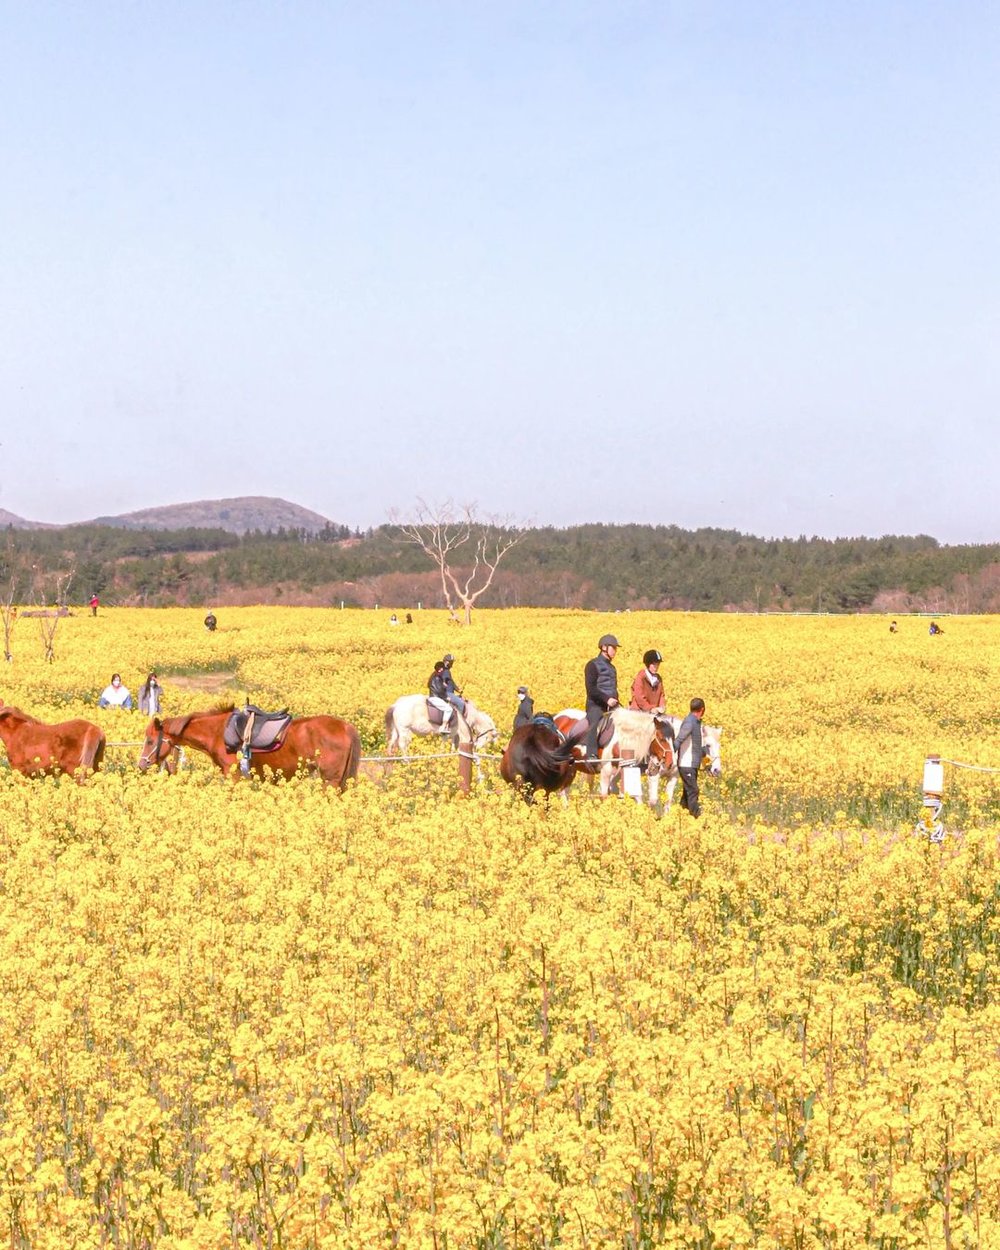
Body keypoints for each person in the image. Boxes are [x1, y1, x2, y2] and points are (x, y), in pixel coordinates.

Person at [584, 634, 620, 759]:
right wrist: (606, 699)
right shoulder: (592, 665)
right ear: (604, 647)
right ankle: (591, 754)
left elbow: (612, 688)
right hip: (596, 705)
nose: (615, 651)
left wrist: (616, 701)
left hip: (612, 706)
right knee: (595, 722)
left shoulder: (612, 668)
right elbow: (591, 689)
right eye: (613, 648)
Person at [674, 697, 707, 817]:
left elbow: (697, 745)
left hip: (691, 764)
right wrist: (669, 753)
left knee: (687, 793)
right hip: (686, 764)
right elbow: (679, 739)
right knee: (693, 791)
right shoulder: (690, 722)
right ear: (702, 710)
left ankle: (681, 816)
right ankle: (696, 817)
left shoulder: (696, 722)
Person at [427, 661, 454, 732]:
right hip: (435, 697)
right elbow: (439, 690)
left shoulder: (435, 676)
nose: (443, 670)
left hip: (434, 696)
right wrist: (446, 697)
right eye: (442, 668)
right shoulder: (437, 678)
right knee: (449, 709)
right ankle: (443, 727)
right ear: (439, 669)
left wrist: (443, 685)